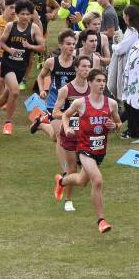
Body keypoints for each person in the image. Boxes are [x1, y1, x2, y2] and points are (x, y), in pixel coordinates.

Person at [60, 69, 122, 234]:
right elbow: (65, 116)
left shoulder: (111, 104)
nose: (102, 84)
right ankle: (101, 220)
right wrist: (67, 129)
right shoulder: (80, 103)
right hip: (84, 148)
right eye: (98, 81)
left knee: (81, 181)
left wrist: (114, 126)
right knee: (98, 180)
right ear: (90, 83)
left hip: (100, 150)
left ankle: (61, 181)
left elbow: (119, 123)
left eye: (103, 81)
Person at [0, 0, 44, 135]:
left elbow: (42, 47)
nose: (25, 17)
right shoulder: (11, 26)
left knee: (8, 93)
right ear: (17, 14)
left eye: (28, 14)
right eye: (22, 14)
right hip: (8, 63)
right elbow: (2, 42)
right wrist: (9, 50)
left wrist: (30, 46)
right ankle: (8, 123)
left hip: (21, 66)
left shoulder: (34, 28)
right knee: (15, 91)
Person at [51, 55, 93, 209]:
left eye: (88, 66)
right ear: (76, 68)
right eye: (83, 66)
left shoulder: (92, 89)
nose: (86, 69)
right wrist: (69, 116)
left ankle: (61, 181)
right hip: (69, 134)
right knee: (72, 167)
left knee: (87, 174)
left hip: (87, 135)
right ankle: (68, 201)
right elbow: (55, 112)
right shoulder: (66, 89)